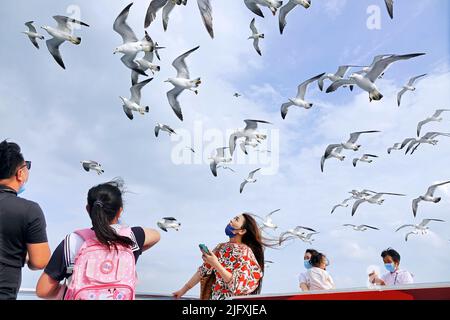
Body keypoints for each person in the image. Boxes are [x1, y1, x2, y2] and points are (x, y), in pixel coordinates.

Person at [35, 179, 161, 299]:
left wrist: (69, 292)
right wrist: (136, 250)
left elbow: (43, 290)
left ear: (88, 209)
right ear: (120, 211)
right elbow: (156, 235)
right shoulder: (131, 237)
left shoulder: (72, 242)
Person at [0, 140, 50, 300]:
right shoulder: (29, 210)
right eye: (26, 166)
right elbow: (40, 261)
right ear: (19, 173)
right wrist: (21, 254)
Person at [173, 213, 265, 300]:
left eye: (236, 219)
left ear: (242, 231)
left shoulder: (245, 252)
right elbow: (202, 271)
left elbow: (237, 285)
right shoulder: (221, 247)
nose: (231, 220)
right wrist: (182, 290)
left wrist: (215, 263)